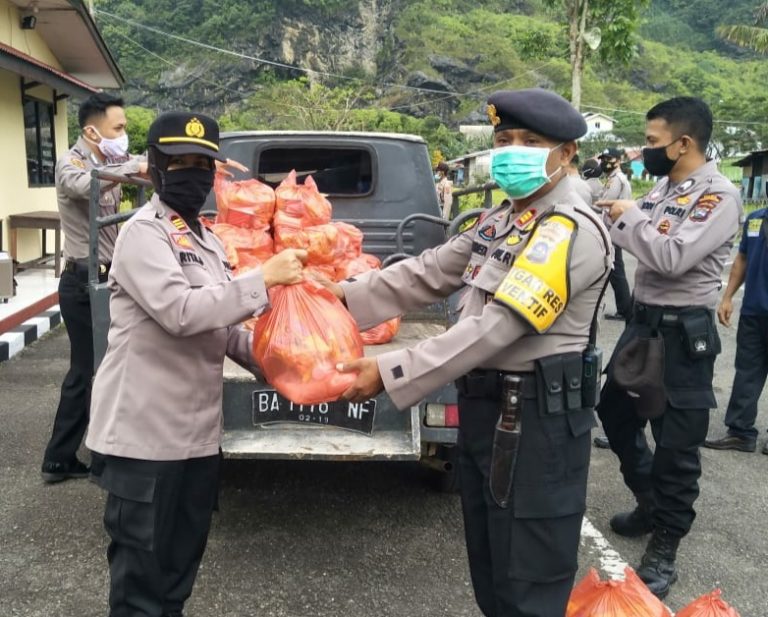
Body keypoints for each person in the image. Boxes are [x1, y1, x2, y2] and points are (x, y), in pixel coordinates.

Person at [322, 88, 612, 617]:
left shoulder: (567, 230)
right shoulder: (502, 218)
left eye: (531, 141)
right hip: (488, 409)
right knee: (490, 563)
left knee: (528, 576)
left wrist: (391, 370)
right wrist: (338, 294)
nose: (513, 151)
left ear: (567, 153)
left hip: (537, 420)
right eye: (504, 140)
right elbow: (429, 271)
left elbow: (497, 327)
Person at [85, 111, 307, 617]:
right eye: (178, 161)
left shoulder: (205, 240)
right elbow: (182, 314)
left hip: (197, 442)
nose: (192, 172)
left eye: (202, 164)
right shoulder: (144, 234)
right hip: (144, 442)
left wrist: (291, 369)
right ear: (155, 168)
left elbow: (224, 328)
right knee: (140, 586)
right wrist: (263, 280)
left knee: (177, 578)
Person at [596, 97, 742, 599]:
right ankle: (650, 499)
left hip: (684, 336)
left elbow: (671, 256)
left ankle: (666, 544)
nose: (646, 150)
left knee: (676, 443)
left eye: (654, 142)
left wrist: (631, 217)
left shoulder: (717, 197)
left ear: (684, 143)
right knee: (613, 411)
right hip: (643, 325)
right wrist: (626, 217)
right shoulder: (662, 188)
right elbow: (641, 241)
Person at [41, 93, 148, 484]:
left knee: (99, 370)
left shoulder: (109, 161)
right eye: (117, 128)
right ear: (91, 130)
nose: (123, 135)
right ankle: (74, 458)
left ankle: (66, 457)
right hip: (82, 282)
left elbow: (133, 169)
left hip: (105, 278)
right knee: (89, 371)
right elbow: (84, 186)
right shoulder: (73, 162)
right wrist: (135, 165)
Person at [704, 202, 768, 455]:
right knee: (747, 370)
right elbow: (741, 258)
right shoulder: (755, 219)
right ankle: (741, 432)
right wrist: (728, 297)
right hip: (754, 311)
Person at [598, 148, 633, 321]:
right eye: (604, 158)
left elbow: (604, 203)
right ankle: (625, 309)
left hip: (613, 228)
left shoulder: (617, 180)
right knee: (615, 268)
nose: (605, 162)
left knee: (616, 269)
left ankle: (625, 310)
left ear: (618, 161)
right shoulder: (612, 179)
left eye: (609, 159)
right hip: (611, 227)